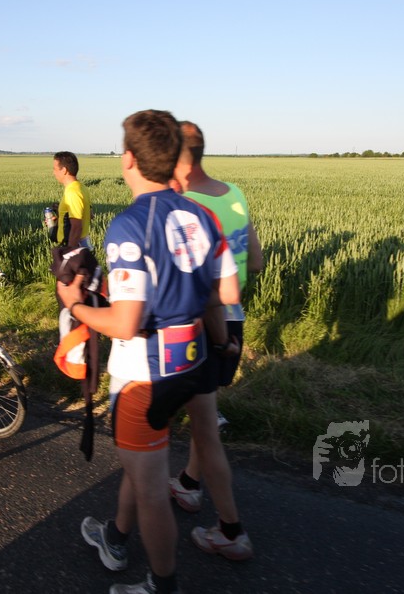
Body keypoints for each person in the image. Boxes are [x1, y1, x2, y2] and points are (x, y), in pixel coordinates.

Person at [57, 110, 239, 594]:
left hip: (143, 374)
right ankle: (116, 537)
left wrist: (75, 304)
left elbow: (125, 322)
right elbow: (224, 294)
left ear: (128, 159)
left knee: (152, 488)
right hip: (194, 360)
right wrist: (219, 339)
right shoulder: (203, 215)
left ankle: (162, 584)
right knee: (144, 467)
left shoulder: (129, 225)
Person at [167, 120, 263, 560]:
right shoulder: (234, 193)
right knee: (203, 412)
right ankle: (188, 483)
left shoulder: (184, 205)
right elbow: (256, 261)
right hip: (234, 315)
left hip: (201, 323)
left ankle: (231, 530)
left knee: (202, 425)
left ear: (177, 159)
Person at [52, 151, 92, 249]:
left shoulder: (73, 192)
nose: (53, 172)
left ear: (64, 170)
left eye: (55, 169)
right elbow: (90, 215)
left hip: (76, 244)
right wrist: (60, 218)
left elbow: (76, 227)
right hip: (83, 242)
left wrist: (69, 251)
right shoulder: (81, 187)